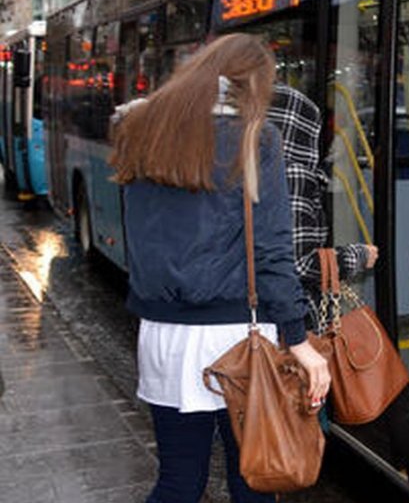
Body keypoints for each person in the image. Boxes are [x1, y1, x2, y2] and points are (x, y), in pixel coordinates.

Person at [109, 34, 330, 503]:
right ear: (253, 83)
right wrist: (300, 342)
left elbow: (139, 236)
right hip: (238, 338)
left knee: (177, 481)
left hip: (164, 337)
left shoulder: (141, 130)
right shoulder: (254, 137)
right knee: (254, 477)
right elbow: (273, 251)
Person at [266, 82, 409, 503]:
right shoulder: (295, 177)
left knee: (377, 390)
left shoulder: (252, 173)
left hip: (272, 320)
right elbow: (299, 263)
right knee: (380, 385)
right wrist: (358, 256)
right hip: (296, 321)